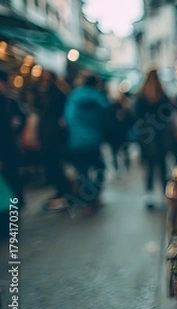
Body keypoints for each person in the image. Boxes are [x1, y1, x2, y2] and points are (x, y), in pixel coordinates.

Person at [64, 74, 110, 208]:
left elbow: (67, 118)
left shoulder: (73, 96)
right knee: (100, 167)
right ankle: (94, 190)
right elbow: (106, 119)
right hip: (94, 140)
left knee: (82, 171)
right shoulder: (99, 97)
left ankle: (87, 196)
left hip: (75, 141)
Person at [133, 69, 175, 208]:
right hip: (161, 137)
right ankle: (165, 193)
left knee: (149, 166)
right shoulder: (162, 95)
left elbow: (134, 116)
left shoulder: (140, 97)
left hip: (146, 137)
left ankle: (149, 194)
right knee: (162, 166)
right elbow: (169, 113)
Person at [38, 71, 71, 211]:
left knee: (55, 164)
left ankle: (64, 194)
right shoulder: (51, 93)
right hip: (50, 135)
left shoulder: (56, 94)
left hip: (54, 136)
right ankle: (62, 193)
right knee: (53, 165)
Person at [0, 70, 24, 208]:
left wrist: (17, 123)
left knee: (12, 177)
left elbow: (22, 116)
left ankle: (14, 206)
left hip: (9, 145)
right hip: (7, 145)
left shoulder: (10, 100)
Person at [107, 94, 132, 174]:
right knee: (118, 153)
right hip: (118, 135)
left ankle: (124, 167)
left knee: (122, 152)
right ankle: (119, 168)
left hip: (119, 135)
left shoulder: (125, 109)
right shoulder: (112, 109)